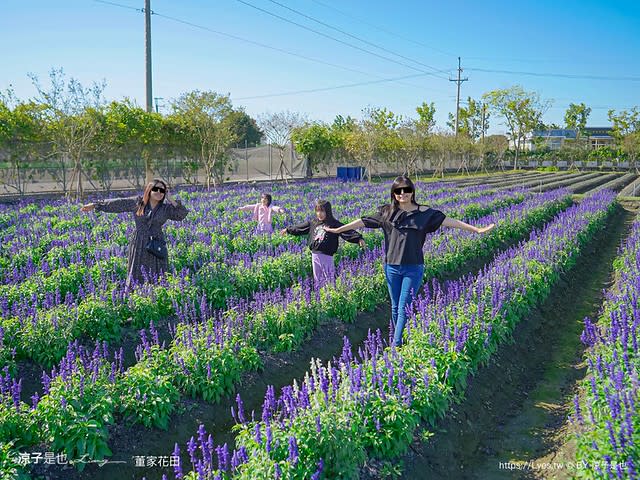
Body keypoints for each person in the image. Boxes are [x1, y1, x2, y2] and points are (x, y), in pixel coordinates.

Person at [324, 176, 495, 346]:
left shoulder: (424, 213)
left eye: (406, 190)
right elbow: (362, 222)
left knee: (404, 308)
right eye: (398, 190)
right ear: (394, 193)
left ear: (412, 192)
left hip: (413, 268)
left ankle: (395, 346)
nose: (402, 193)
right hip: (391, 267)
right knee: (395, 307)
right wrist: (339, 229)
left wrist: (476, 229)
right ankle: (398, 340)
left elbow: (449, 221)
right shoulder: (387, 212)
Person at [81, 178, 188, 290]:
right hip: (140, 242)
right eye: (156, 189)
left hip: (157, 243)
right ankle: (135, 296)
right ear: (149, 190)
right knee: (137, 271)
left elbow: (182, 214)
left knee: (158, 273)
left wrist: (170, 198)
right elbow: (118, 204)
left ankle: (156, 296)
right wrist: (95, 205)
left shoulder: (166, 209)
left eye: (163, 191)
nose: (159, 192)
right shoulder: (138, 203)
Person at [281, 200, 366, 289]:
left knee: (329, 278)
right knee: (317, 279)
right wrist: (288, 230)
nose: (319, 214)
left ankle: (330, 296)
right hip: (315, 254)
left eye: (322, 211)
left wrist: (358, 238)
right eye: (317, 211)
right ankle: (320, 297)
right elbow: (300, 228)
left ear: (327, 212)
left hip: (327, 255)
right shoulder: (313, 222)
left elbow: (345, 230)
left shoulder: (333, 223)